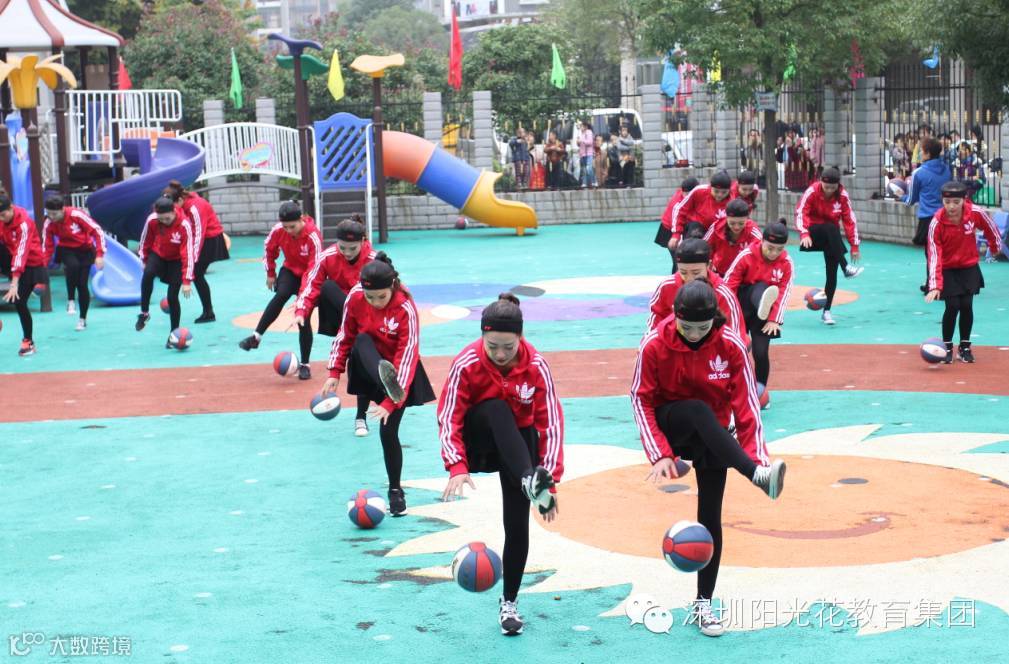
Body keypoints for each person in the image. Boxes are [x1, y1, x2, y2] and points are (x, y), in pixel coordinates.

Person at [631, 279, 786, 637]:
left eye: (702, 328)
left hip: (712, 434)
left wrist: (759, 455)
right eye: (687, 327)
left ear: (714, 320)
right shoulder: (654, 343)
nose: (695, 335)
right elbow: (641, 400)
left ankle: (703, 603)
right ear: (675, 316)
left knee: (710, 518)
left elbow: (746, 406)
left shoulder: (729, 344)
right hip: (672, 423)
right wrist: (659, 454)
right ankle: (755, 476)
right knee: (698, 410)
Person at [438, 293, 563, 636]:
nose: (501, 354)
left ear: (521, 338)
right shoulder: (467, 362)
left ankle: (509, 602)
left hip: (516, 449)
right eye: (493, 346)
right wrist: (456, 465)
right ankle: (528, 478)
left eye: (509, 346)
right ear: (482, 336)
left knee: (518, 525)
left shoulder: (536, 365)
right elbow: (449, 416)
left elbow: (550, 423)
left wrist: (549, 477)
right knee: (496, 408)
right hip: (479, 440)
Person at [322, 254, 436, 517]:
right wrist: (334, 372)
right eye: (370, 297)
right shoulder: (355, 297)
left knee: (388, 432)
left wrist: (390, 402)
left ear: (393, 286)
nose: (374, 302)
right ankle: (380, 384)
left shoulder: (405, 307)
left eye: (381, 297)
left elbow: (408, 355)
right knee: (361, 340)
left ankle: (396, 491)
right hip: (368, 364)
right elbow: (344, 335)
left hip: (399, 375)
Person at [295, 216, 376, 436]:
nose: (347, 252)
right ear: (336, 242)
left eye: (353, 248)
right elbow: (311, 285)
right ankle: (361, 415)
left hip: (368, 318)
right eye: (342, 247)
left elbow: (392, 292)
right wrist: (301, 311)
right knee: (328, 287)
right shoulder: (327, 257)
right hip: (342, 315)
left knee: (359, 361)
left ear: (363, 241)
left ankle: (361, 416)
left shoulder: (374, 260)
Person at [239, 201, 322, 379]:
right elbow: (269, 249)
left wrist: (302, 299)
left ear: (301, 219)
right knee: (281, 294)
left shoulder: (313, 236)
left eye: (292, 226)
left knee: (303, 318)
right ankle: (256, 337)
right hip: (290, 270)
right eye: (285, 227)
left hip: (310, 276)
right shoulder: (278, 230)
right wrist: (270, 273)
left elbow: (314, 270)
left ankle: (305, 364)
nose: (289, 231)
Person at [925, 181, 1003, 363]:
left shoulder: (975, 212)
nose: (951, 207)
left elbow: (990, 228)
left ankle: (965, 347)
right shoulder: (936, 223)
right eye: (947, 202)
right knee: (952, 306)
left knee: (967, 305)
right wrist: (935, 285)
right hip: (948, 268)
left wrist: (995, 246)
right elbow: (934, 254)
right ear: (942, 201)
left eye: (956, 202)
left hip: (968, 266)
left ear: (964, 200)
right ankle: (946, 347)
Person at [724, 222, 794, 401]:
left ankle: (759, 393)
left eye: (779, 249)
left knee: (761, 353)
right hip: (741, 307)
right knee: (733, 352)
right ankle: (727, 391)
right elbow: (729, 285)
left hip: (765, 314)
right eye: (770, 248)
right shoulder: (746, 255)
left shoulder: (786, 263)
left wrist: (774, 320)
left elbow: (784, 293)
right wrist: (729, 316)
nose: (774, 253)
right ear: (761, 241)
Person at [794, 167, 863, 325]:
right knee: (831, 227)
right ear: (821, 182)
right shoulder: (812, 192)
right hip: (812, 235)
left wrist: (854, 246)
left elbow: (849, 220)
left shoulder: (842, 196)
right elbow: (801, 212)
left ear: (838, 185)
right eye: (826, 187)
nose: (830, 190)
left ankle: (827, 312)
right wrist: (804, 233)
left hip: (831, 239)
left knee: (832, 274)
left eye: (833, 187)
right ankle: (846, 267)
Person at [645, 238, 745, 343]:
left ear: (709, 266)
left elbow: (736, 337)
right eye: (683, 272)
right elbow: (654, 324)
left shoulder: (722, 293)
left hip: (713, 347)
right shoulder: (666, 287)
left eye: (696, 272)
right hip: (676, 347)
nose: (689, 279)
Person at [164, 180, 229, 323]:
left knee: (197, 273)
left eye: (173, 206)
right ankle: (207, 311)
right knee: (196, 274)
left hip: (209, 240)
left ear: (179, 200)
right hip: (199, 239)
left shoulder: (195, 208)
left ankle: (209, 313)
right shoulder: (182, 204)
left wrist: (192, 259)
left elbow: (199, 234)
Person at [41, 195, 106, 331]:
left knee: (82, 285)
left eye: (54, 214)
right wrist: (42, 265)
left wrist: (99, 255)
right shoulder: (48, 223)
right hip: (66, 249)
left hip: (85, 250)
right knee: (73, 266)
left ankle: (82, 319)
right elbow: (47, 246)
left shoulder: (76, 215)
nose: (51, 217)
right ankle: (70, 300)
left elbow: (97, 231)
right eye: (48, 213)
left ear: (62, 209)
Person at [136, 196, 194, 346]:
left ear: (174, 211)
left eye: (167, 218)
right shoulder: (152, 220)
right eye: (161, 219)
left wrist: (187, 281)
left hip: (176, 261)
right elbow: (145, 241)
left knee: (172, 297)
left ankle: (173, 334)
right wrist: (144, 260)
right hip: (159, 254)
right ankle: (144, 313)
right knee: (148, 274)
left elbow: (188, 254)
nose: (164, 222)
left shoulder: (184, 225)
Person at [0, 194, 47, 356]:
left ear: (11, 208)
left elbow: (21, 254)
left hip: (31, 265)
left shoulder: (24, 224)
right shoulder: (2, 221)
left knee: (19, 302)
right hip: (11, 259)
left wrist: (14, 283)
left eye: (3, 214)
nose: (1, 219)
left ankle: (29, 341)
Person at [905, 137, 951, 292]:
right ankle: (943, 282)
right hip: (946, 215)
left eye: (921, 151)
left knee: (931, 252)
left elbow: (911, 200)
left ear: (928, 153)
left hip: (928, 218)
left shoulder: (918, 173)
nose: (919, 153)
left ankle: (932, 284)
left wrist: (901, 196)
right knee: (945, 250)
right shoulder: (947, 170)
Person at [669, 170, 733, 249]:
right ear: (710, 187)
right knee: (695, 231)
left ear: (729, 190)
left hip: (717, 233)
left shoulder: (733, 200)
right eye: (716, 191)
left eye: (724, 192)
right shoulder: (699, 191)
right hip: (696, 230)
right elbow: (680, 209)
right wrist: (676, 234)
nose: (720, 195)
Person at [703, 198, 763, 276]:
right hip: (719, 273)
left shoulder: (753, 231)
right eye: (732, 223)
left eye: (741, 223)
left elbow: (762, 252)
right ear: (726, 218)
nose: (736, 227)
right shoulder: (717, 227)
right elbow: (704, 247)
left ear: (747, 219)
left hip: (744, 275)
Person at [656, 176, 699, 263]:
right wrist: (676, 236)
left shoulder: (698, 195)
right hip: (670, 229)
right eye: (685, 193)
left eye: (690, 194)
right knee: (679, 260)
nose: (687, 196)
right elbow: (676, 221)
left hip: (683, 228)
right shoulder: (678, 203)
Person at [577, 120, 595, 188]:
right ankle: (584, 182)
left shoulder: (589, 132)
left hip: (589, 153)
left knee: (589, 168)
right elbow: (579, 144)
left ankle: (593, 181)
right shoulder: (581, 133)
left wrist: (581, 141)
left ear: (585, 127)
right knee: (584, 169)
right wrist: (578, 142)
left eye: (581, 126)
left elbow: (590, 142)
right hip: (582, 153)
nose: (581, 127)